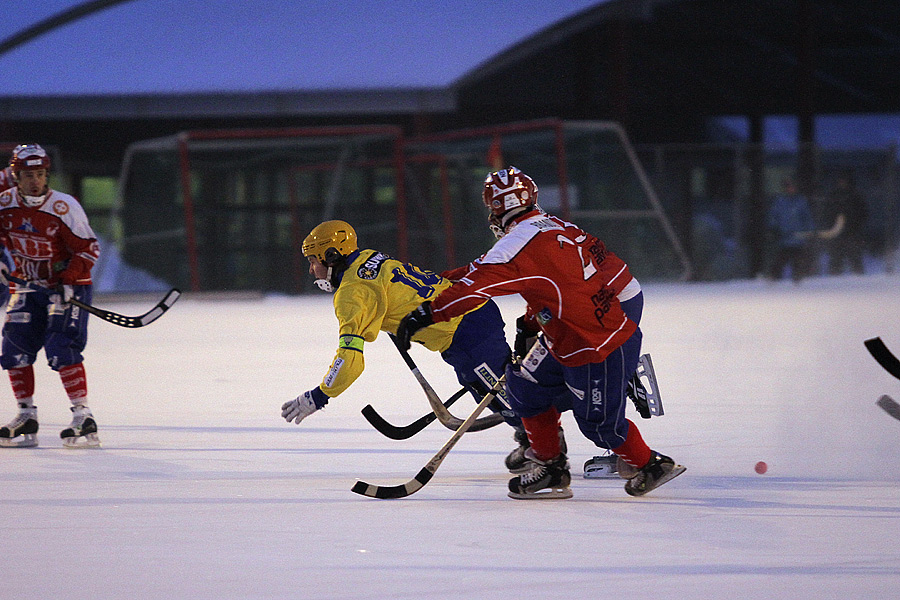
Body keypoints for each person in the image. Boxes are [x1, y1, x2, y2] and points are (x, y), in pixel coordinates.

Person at [396, 166, 685, 499]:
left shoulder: (516, 246)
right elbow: (595, 280)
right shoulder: (555, 226)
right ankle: (550, 467)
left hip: (594, 344)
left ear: (495, 209)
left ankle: (652, 464)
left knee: (599, 425)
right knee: (523, 385)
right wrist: (532, 323)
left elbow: (478, 284)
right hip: (581, 329)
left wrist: (427, 312)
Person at [280, 219, 541, 469]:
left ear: (332, 256)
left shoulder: (352, 293)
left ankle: (545, 449)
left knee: (508, 395)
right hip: (470, 316)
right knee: (492, 389)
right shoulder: (369, 257)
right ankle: (533, 437)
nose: (311, 269)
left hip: (465, 329)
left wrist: (321, 394)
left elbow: (350, 360)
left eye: (313, 261)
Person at [0, 144, 101, 448]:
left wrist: (69, 280)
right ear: (16, 175)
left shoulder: (63, 207)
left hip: (66, 286)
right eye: (28, 175)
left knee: (61, 347)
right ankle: (26, 415)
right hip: (28, 285)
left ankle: (83, 416)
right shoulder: (4, 204)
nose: (35, 181)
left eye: (41, 174)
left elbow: (89, 248)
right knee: (13, 347)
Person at [766, 177, 816, 282]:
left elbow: (807, 218)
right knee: (780, 259)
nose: (791, 189)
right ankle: (773, 278)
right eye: (788, 187)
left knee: (798, 261)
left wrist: (811, 230)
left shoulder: (801, 201)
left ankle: (797, 280)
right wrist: (773, 229)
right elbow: (773, 216)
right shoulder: (780, 201)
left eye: (792, 187)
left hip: (798, 239)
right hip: (784, 239)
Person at [823, 173, 867, 275]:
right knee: (836, 257)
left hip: (852, 232)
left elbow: (863, 213)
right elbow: (827, 212)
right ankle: (834, 278)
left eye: (844, 180)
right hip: (836, 232)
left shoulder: (856, 195)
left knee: (855, 256)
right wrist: (832, 225)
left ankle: (859, 277)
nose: (842, 183)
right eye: (840, 181)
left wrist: (855, 225)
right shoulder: (833, 195)